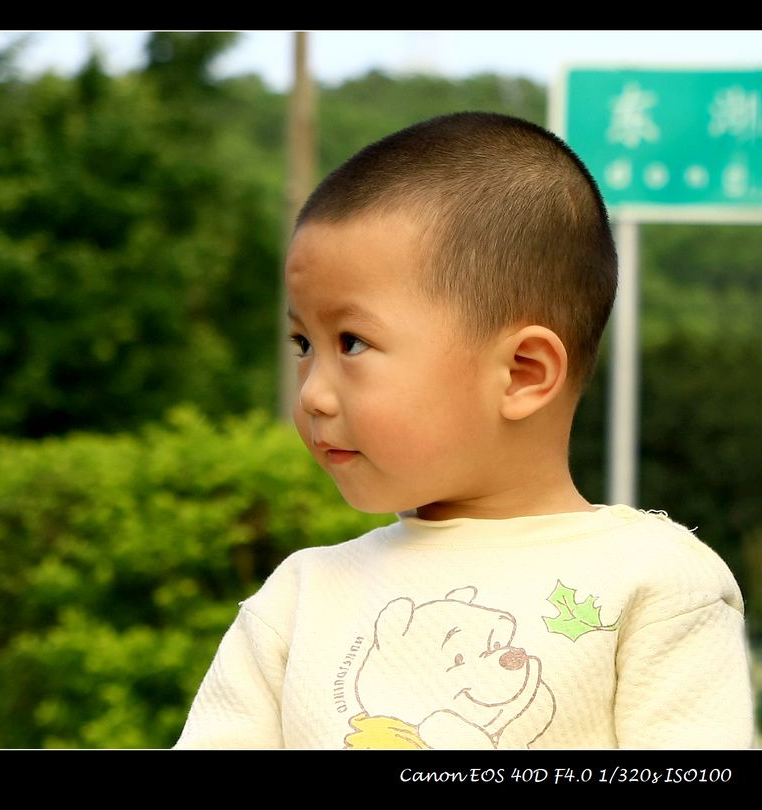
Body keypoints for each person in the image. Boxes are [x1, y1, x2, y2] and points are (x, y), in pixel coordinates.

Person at [174, 111, 754, 749]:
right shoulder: (298, 599)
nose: (311, 392)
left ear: (521, 374)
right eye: (302, 342)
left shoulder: (656, 581)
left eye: (353, 342)